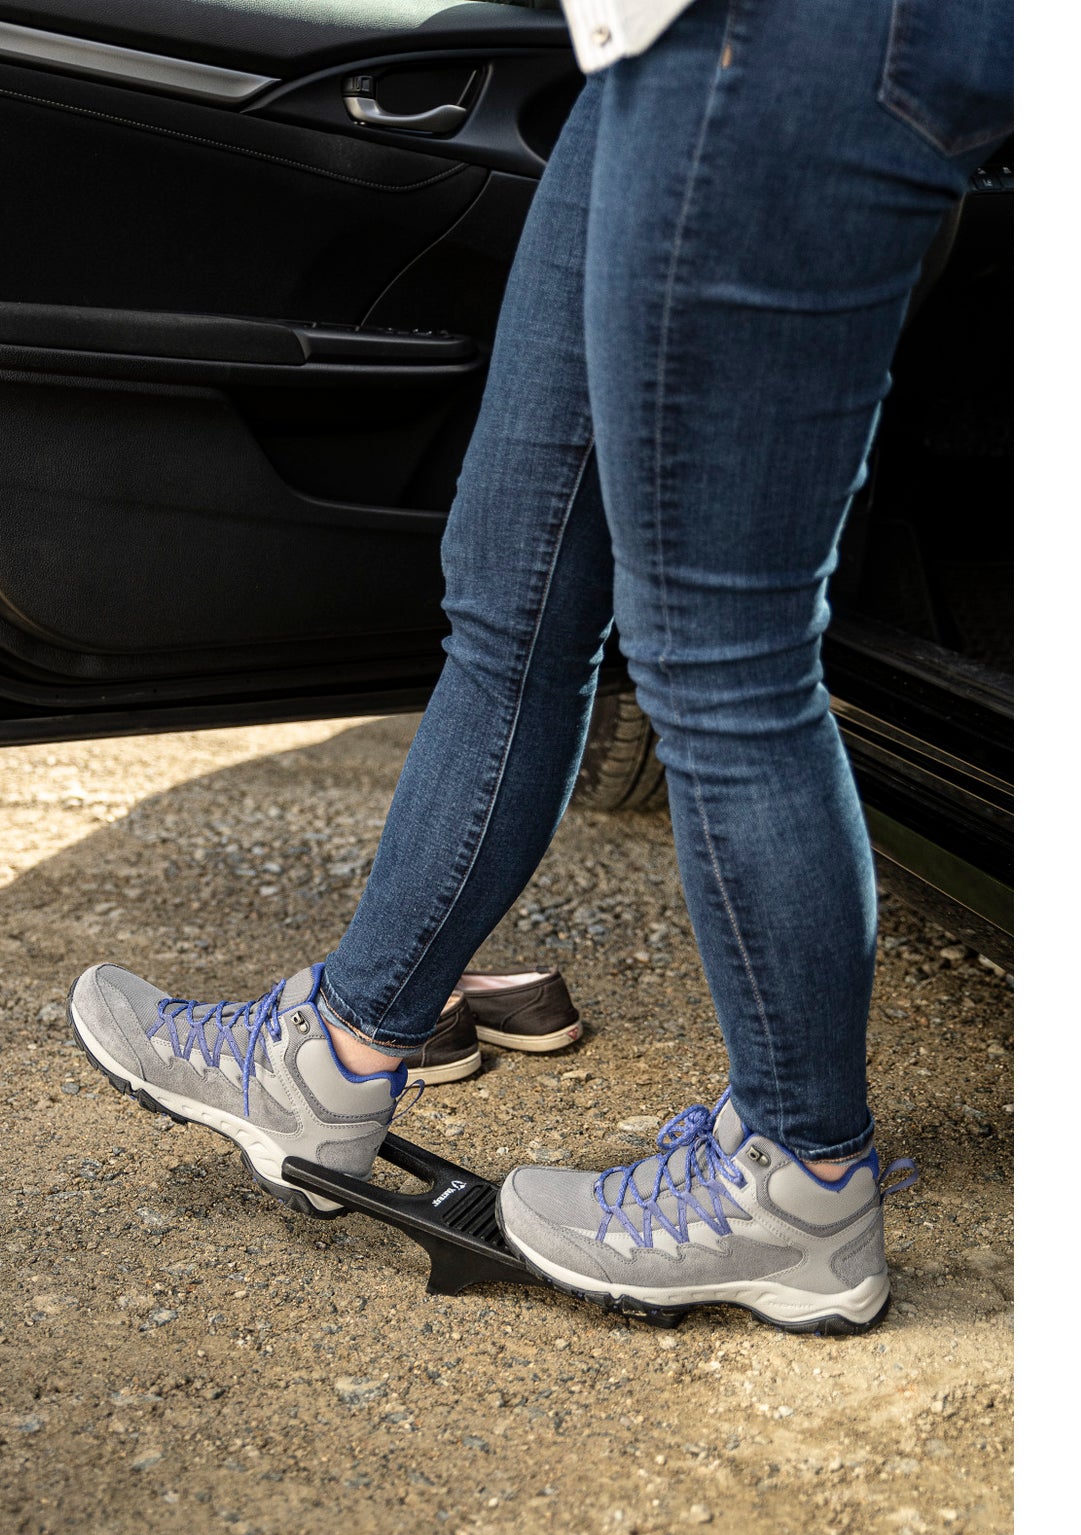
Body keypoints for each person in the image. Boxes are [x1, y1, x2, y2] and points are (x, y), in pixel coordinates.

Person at [70, 0, 1011, 1334]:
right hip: (671, 48)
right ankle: (337, 1054)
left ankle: (804, 1181)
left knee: (719, 653)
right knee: (513, 586)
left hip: (796, 43)